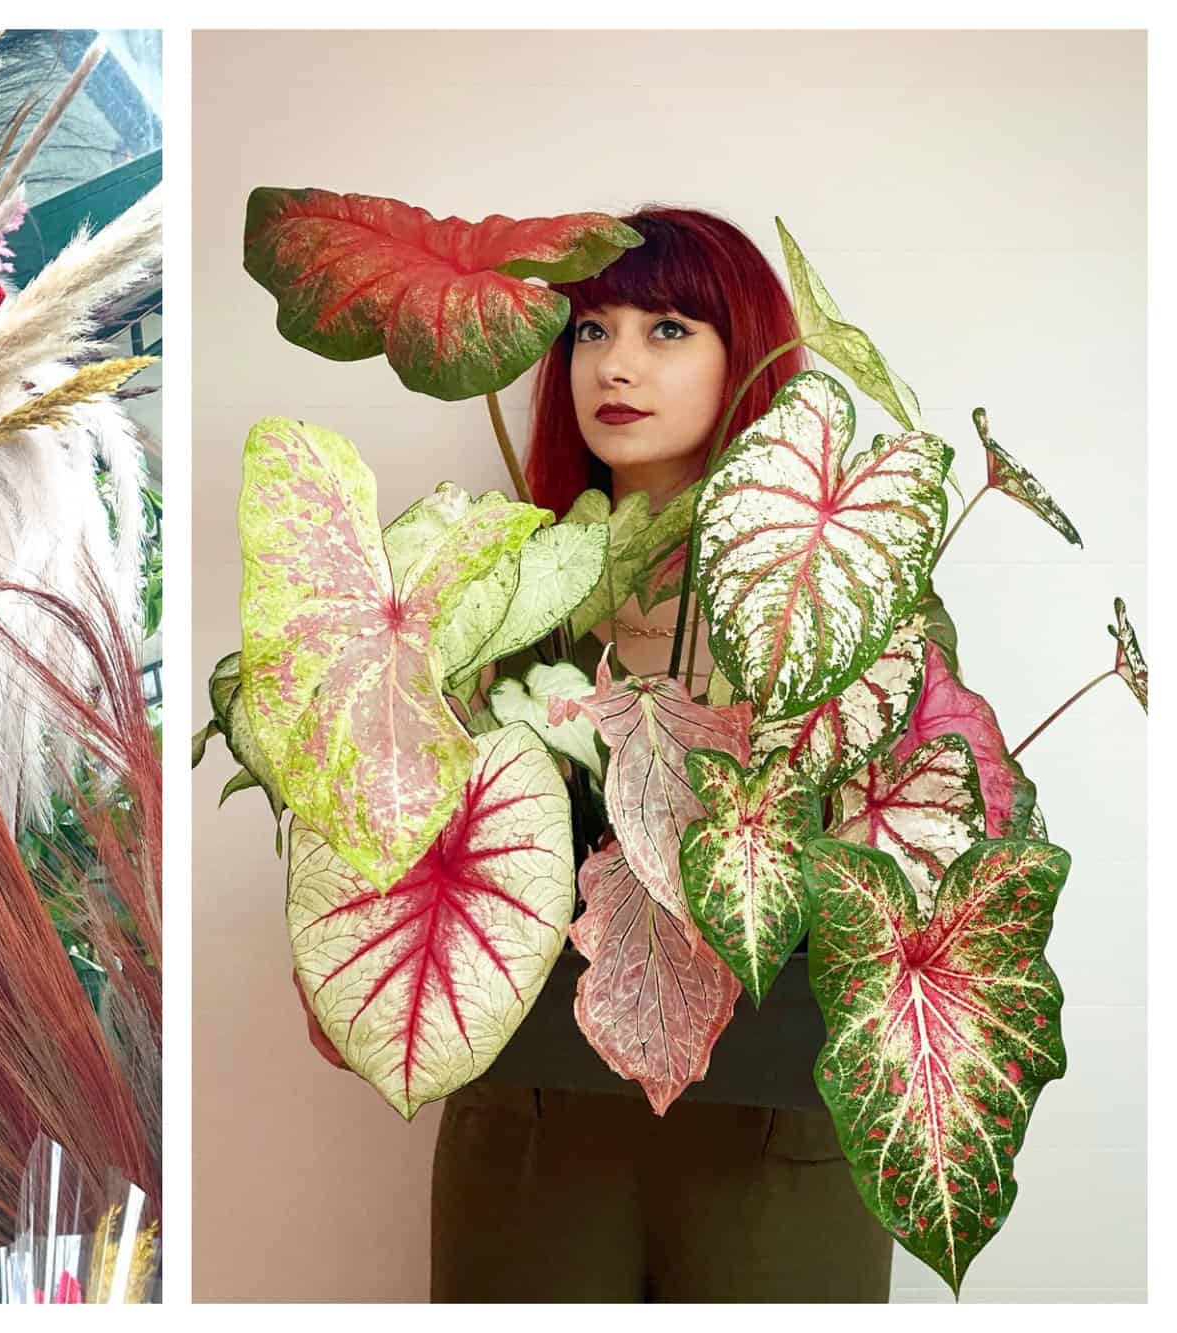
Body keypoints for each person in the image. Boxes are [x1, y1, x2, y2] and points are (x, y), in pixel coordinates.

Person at [300, 207, 897, 1302]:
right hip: (534, 1125)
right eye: (590, 330)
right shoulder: (492, 590)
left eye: (667, 329)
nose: (615, 365)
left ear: (744, 354)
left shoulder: (826, 603)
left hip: (770, 1129)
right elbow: (384, 815)